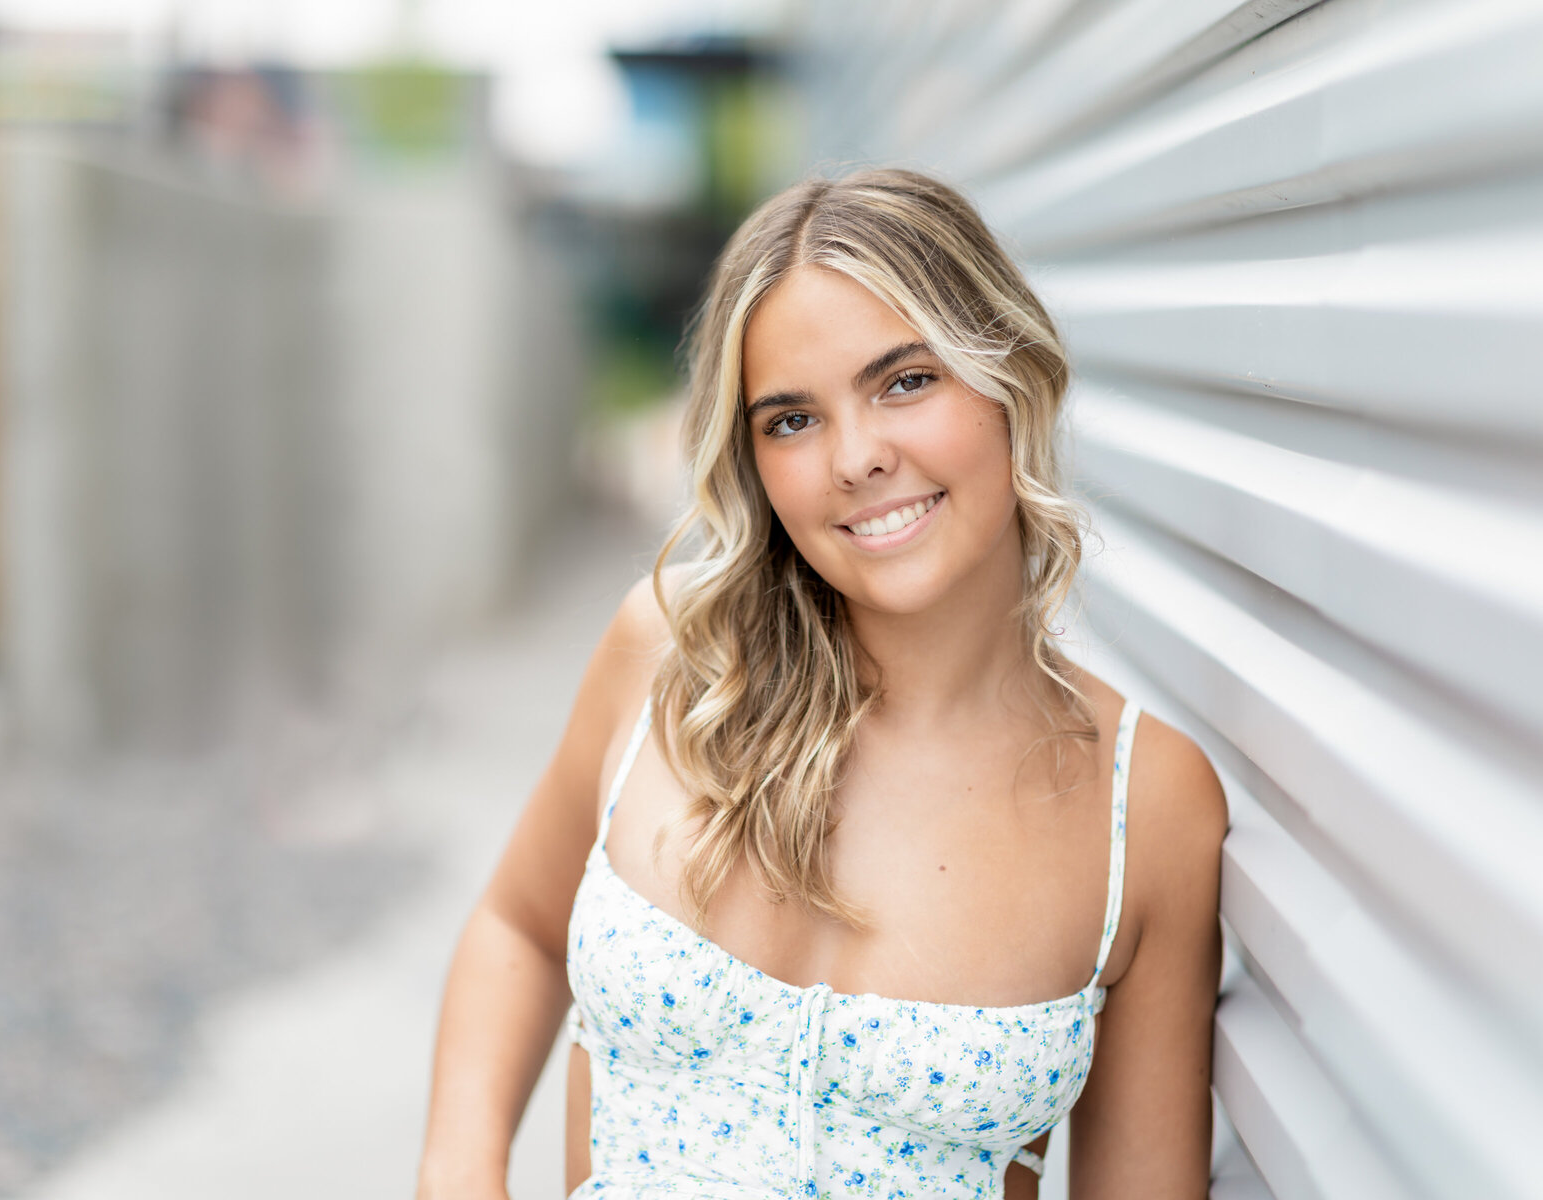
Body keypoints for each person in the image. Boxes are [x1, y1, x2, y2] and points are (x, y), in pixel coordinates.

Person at [415, 168, 1228, 1199]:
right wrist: (459, 1169)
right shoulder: (670, 660)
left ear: (1008, 373)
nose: (855, 459)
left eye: (904, 381)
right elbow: (518, 929)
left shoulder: (1141, 806)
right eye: (790, 420)